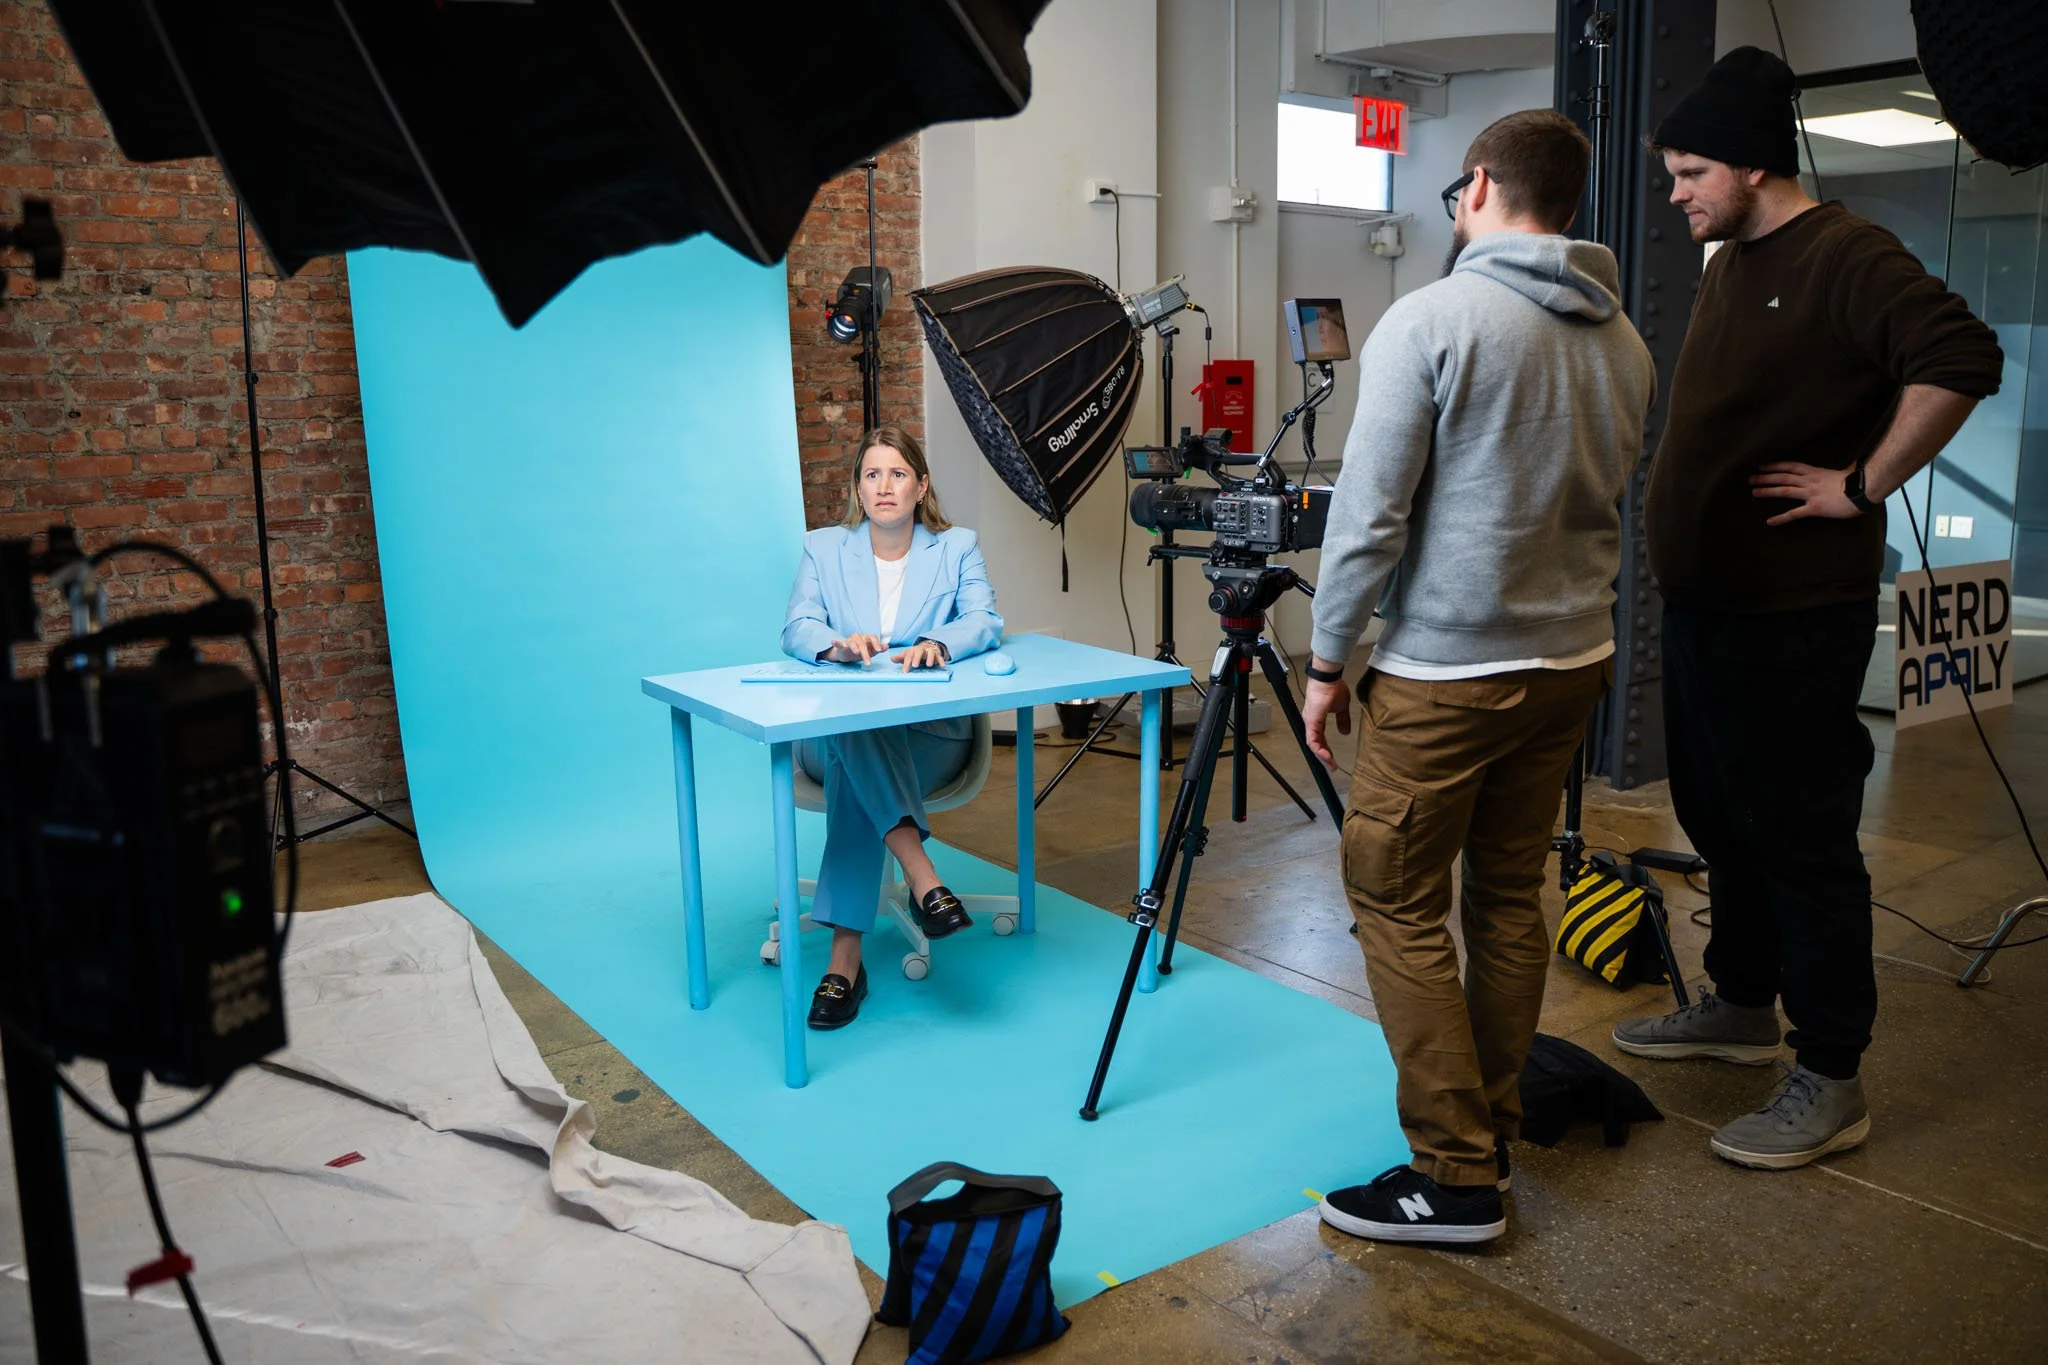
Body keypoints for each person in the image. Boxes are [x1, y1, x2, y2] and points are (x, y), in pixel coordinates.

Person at [1615, 47, 2003, 1168]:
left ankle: (1830, 1072)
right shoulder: (1732, 254)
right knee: (1719, 818)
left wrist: (1861, 483)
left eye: (1689, 172)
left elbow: (1957, 355)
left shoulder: (1844, 254)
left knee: (1800, 839)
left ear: (1748, 164)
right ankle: (1739, 1006)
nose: (1676, 192)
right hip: (1707, 605)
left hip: (1791, 615)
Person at [1299, 108, 1656, 1244]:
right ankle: (1490, 1123)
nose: (1450, 206)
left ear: (1483, 185)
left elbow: (1366, 517)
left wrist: (1323, 661)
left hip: (1447, 676)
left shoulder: (1433, 317)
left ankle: (1453, 1178)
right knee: (1504, 899)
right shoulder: (1624, 341)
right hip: (1570, 663)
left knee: (1392, 899)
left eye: (1455, 189)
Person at [781, 424, 1004, 1029]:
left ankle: (844, 962)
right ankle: (923, 876)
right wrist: (835, 647)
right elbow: (797, 626)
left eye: (898, 473)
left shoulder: (956, 546)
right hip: (835, 739)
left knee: (859, 755)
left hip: (930, 739)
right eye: (872, 474)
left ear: (920, 485)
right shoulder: (824, 548)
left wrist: (939, 640)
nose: (884, 486)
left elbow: (984, 620)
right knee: (855, 727)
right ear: (858, 486)